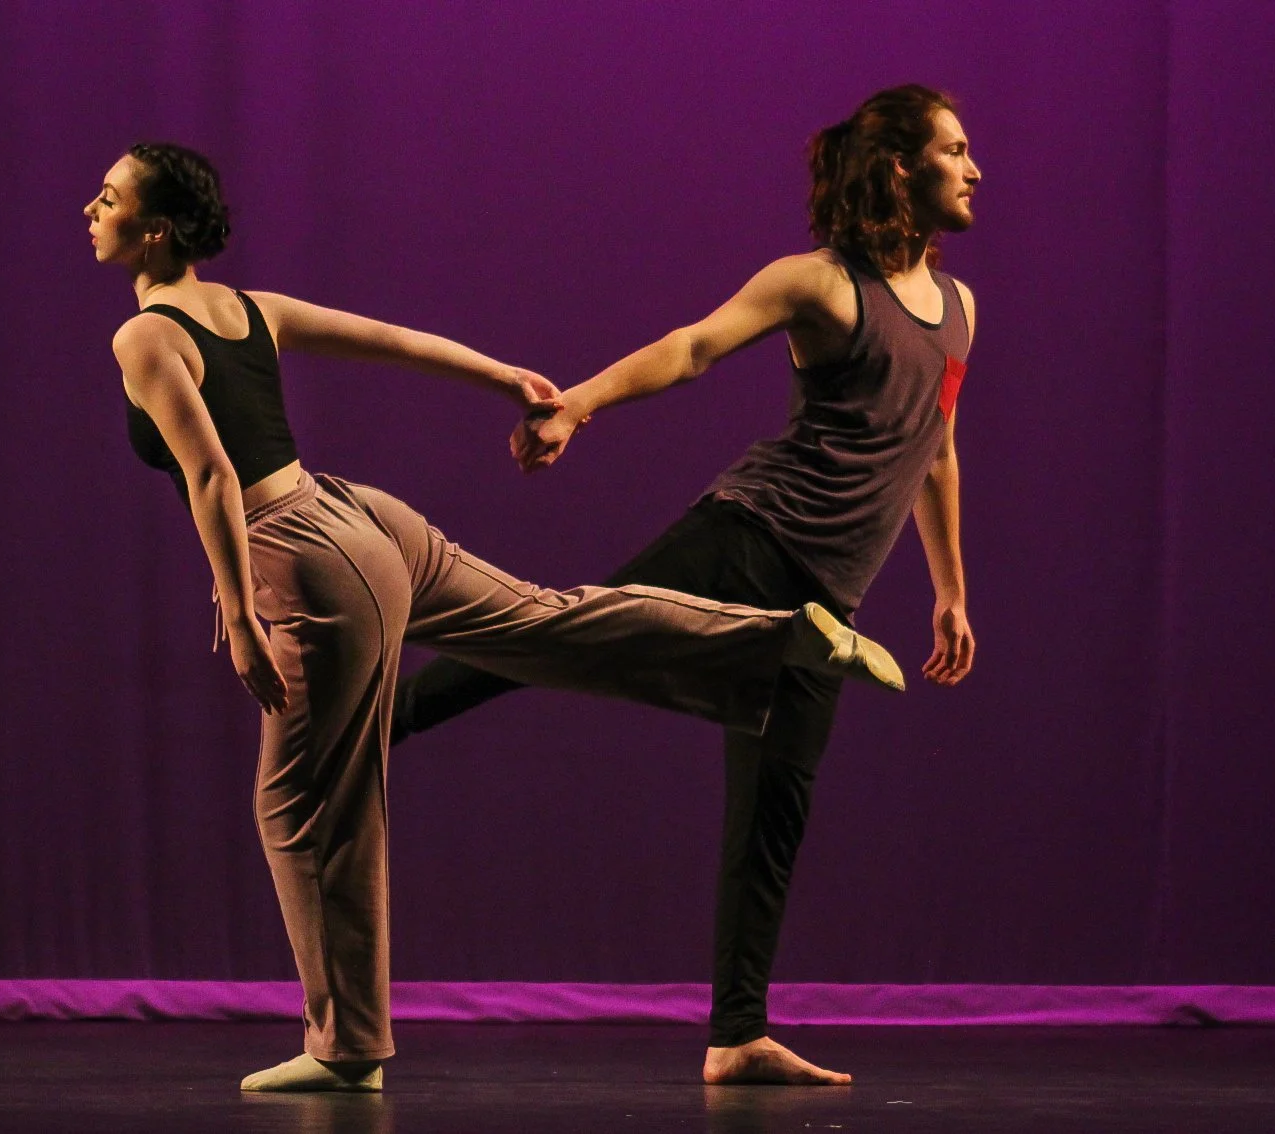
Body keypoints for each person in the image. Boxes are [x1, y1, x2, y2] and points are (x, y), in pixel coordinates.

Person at [85, 142, 904, 1092]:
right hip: (366, 518)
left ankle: (347, 1048)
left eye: (108, 197)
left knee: (306, 805)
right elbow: (391, 339)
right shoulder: (243, 307)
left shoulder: (145, 337)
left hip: (305, 555)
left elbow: (213, 477)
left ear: (155, 229)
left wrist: (237, 609)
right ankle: (778, 636)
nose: (91, 210)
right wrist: (504, 377)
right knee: (547, 623)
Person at [393, 84, 981, 1085]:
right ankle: (375, 721)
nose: (973, 169)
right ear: (900, 165)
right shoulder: (820, 283)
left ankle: (735, 1036)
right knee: (561, 636)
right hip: (749, 540)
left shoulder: (960, 309)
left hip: (824, 608)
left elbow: (937, 450)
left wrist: (949, 591)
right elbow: (694, 346)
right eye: (955, 150)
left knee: (774, 811)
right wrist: (577, 405)